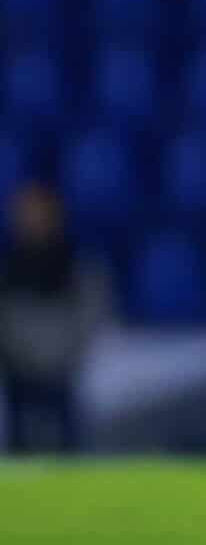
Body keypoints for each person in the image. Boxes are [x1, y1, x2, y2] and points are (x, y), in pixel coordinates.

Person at [0, 182, 116, 453]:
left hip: (63, 371)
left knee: (70, 447)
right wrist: (20, 354)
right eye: (25, 213)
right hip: (17, 372)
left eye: (39, 212)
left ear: (56, 215)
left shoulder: (80, 268)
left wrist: (59, 355)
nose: (32, 220)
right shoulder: (6, 272)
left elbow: (90, 316)